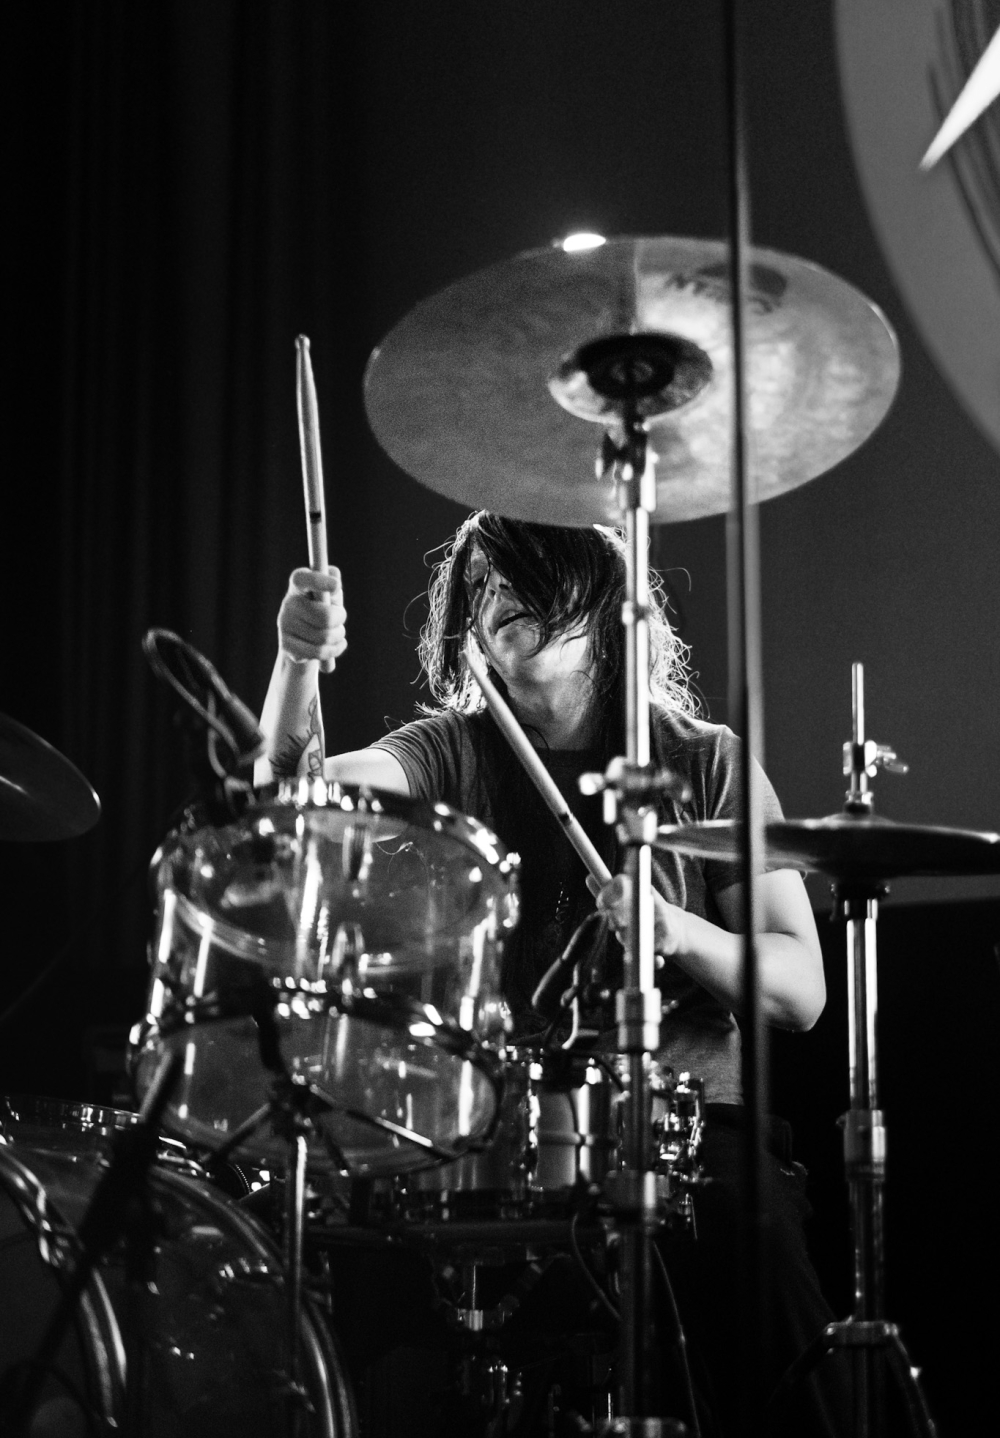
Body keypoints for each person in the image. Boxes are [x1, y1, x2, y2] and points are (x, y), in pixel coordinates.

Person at [259, 513, 847, 1436]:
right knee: (321, 1259)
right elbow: (291, 806)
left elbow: (799, 990)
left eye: (524, 575)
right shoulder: (447, 752)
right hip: (491, 1136)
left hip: (686, 1131)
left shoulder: (704, 761)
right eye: (481, 584)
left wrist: (675, 930)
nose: (496, 596)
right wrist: (297, 664)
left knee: (759, 1240)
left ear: (602, 602)